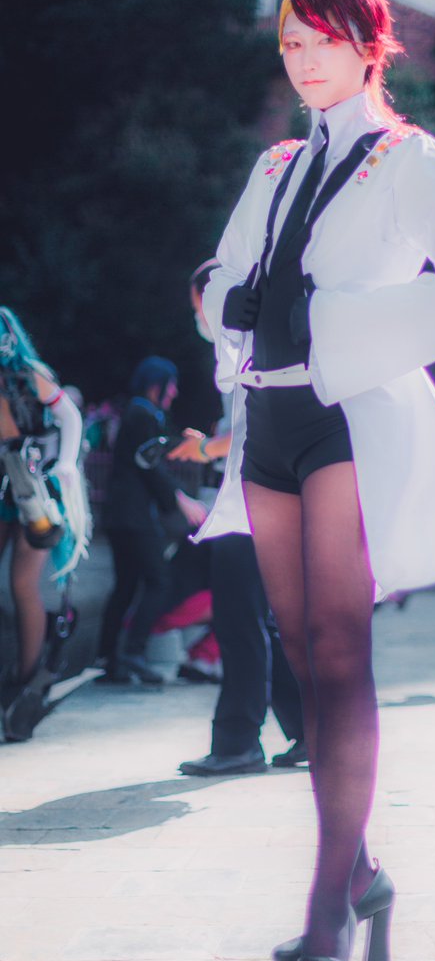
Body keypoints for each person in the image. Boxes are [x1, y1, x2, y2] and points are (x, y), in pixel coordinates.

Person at [196, 0, 435, 961]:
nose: (302, 60)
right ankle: (364, 875)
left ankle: (326, 927)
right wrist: (223, 303)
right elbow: (218, 278)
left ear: (368, 44)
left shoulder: (407, 157)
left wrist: (339, 324)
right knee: (304, 657)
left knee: (340, 655)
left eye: (321, 40)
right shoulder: (277, 163)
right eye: (290, 43)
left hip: (342, 418)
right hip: (268, 423)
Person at [168, 261, 306, 772]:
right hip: (264, 499)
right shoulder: (260, 339)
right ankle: (310, 730)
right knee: (264, 622)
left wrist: (205, 449)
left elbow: (247, 427)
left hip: (247, 503)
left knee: (239, 621)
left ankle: (237, 744)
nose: (199, 318)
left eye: (199, 306)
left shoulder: (240, 344)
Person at [0, 306, 88, 740]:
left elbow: (69, 415)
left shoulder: (26, 374)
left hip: (31, 484)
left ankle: (27, 685)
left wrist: (67, 464)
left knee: (22, 584)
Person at [96, 356, 206, 684]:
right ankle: (133, 653)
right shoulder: (142, 413)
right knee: (159, 580)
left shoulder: (138, 412)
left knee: (126, 585)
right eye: (171, 385)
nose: (174, 392)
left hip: (120, 515)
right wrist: (180, 500)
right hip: (133, 516)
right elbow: (149, 466)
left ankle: (108, 658)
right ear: (156, 384)